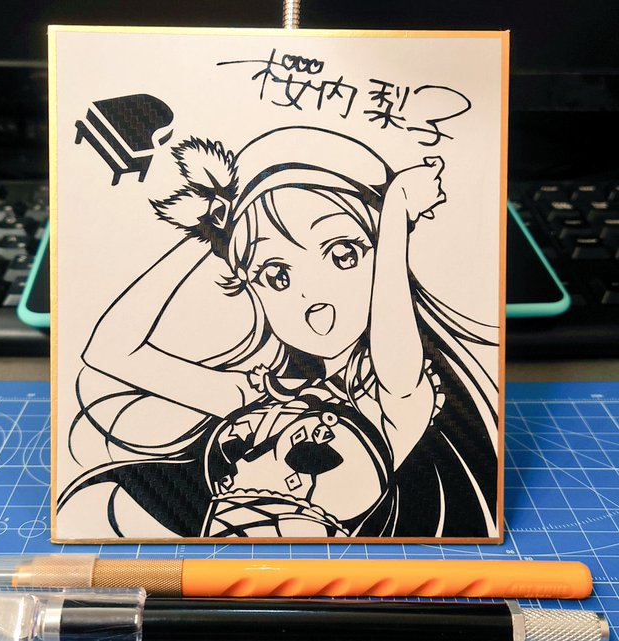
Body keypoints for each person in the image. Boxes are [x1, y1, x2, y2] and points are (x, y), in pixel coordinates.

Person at [59, 126, 499, 539]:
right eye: (276, 275)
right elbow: (109, 352)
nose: (312, 295)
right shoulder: (256, 395)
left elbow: (394, 354)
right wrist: (207, 235)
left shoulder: (392, 403)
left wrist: (395, 216)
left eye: (344, 254)